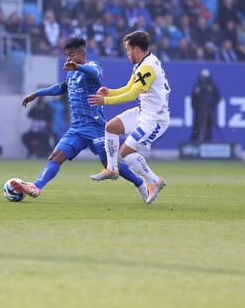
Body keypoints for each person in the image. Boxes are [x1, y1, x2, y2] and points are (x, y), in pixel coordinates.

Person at [10, 37, 148, 202]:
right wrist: (36, 94)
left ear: (82, 53)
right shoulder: (71, 73)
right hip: (76, 129)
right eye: (67, 55)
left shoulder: (92, 67)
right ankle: (36, 187)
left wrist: (78, 67)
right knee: (56, 156)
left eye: (71, 55)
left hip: (96, 127)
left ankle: (140, 182)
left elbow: (94, 72)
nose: (68, 59)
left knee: (109, 164)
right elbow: (60, 87)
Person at [87, 31, 170, 204]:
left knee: (126, 151)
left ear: (137, 49)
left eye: (128, 50)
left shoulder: (147, 67)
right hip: (143, 112)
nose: (127, 54)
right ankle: (112, 168)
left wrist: (105, 101)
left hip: (155, 119)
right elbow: (128, 87)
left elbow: (132, 95)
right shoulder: (142, 63)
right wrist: (110, 92)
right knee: (111, 127)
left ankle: (155, 181)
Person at [191, 69, 220, 142]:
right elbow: (193, 98)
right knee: (196, 127)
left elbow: (217, 97)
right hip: (199, 110)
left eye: (205, 77)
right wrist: (197, 106)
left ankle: (207, 142)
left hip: (209, 109)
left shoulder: (212, 86)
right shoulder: (197, 86)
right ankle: (193, 143)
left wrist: (211, 104)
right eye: (202, 77)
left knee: (208, 127)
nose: (203, 78)